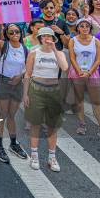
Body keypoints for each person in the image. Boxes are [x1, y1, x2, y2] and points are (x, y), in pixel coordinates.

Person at [23, 27, 68, 172]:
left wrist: (55, 49)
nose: (47, 39)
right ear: (40, 38)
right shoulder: (34, 53)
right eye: (44, 36)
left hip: (53, 91)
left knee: (52, 125)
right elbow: (28, 74)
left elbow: (65, 67)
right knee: (35, 124)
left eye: (50, 36)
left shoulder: (59, 53)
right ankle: (34, 154)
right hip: (36, 89)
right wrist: (25, 94)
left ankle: (52, 157)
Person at [0, 24, 29, 163]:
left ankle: (13, 143)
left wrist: (20, 76)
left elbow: (29, 67)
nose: (14, 34)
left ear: (20, 33)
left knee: (12, 115)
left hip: (18, 84)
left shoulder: (25, 49)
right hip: (4, 82)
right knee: (2, 115)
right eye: (11, 32)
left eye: (17, 31)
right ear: (7, 34)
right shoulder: (3, 45)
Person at [67, 19, 100, 136]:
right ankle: (82, 124)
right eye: (82, 26)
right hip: (77, 73)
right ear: (78, 28)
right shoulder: (72, 41)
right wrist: (79, 72)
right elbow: (72, 58)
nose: (84, 28)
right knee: (79, 101)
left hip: (92, 73)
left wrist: (89, 73)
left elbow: (98, 59)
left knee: (96, 102)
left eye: (87, 26)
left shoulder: (96, 41)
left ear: (90, 28)